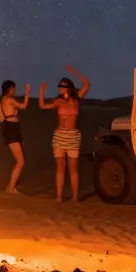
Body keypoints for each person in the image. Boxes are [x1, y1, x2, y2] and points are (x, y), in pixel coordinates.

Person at [39, 65, 92, 202]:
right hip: (60, 136)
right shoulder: (59, 101)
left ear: (68, 87)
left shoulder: (77, 99)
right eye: (59, 86)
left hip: (73, 136)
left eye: (63, 86)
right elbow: (42, 106)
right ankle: (59, 196)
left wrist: (73, 70)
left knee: (73, 168)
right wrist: (41, 91)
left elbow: (87, 83)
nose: (60, 88)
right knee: (60, 168)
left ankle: (75, 197)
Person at [0, 79, 31, 194]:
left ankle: (10, 187)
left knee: (20, 160)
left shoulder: (0, 102)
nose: (14, 91)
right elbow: (24, 106)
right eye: (13, 88)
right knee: (20, 161)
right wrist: (27, 93)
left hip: (9, 130)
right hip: (12, 130)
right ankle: (10, 188)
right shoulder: (10, 100)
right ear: (10, 89)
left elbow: (2, 119)